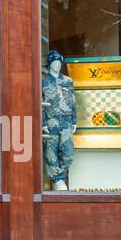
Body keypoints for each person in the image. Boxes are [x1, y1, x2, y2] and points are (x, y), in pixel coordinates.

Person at [41, 49, 76, 191]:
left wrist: (74, 120)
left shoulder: (68, 81)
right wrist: (43, 123)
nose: (57, 65)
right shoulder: (43, 83)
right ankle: (58, 180)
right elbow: (40, 104)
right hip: (51, 120)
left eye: (59, 62)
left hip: (66, 121)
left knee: (68, 153)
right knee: (51, 152)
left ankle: (59, 176)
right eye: (54, 62)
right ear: (50, 64)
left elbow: (73, 101)